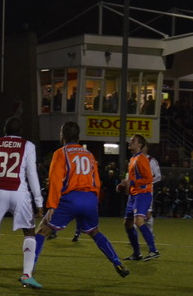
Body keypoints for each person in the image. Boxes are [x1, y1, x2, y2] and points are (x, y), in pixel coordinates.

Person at [32, 121, 129, 286]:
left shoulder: (61, 153)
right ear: (78, 136)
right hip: (90, 198)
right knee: (95, 232)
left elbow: (55, 181)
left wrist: (52, 205)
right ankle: (117, 262)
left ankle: (28, 271)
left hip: (70, 199)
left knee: (42, 230)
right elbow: (96, 180)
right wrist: (95, 200)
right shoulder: (88, 154)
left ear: (62, 135)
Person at [0, 117, 44, 290]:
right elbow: (32, 174)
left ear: (4, 131)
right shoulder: (28, 145)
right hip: (20, 193)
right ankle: (27, 274)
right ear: (20, 131)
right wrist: (38, 200)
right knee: (29, 233)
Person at [118, 133, 159, 261]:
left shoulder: (141, 159)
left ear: (139, 145)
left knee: (139, 221)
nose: (130, 142)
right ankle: (137, 254)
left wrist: (132, 183)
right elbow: (131, 180)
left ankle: (153, 250)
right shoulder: (133, 159)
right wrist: (123, 185)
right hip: (133, 195)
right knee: (128, 224)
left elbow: (148, 179)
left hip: (142, 194)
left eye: (133, 141)